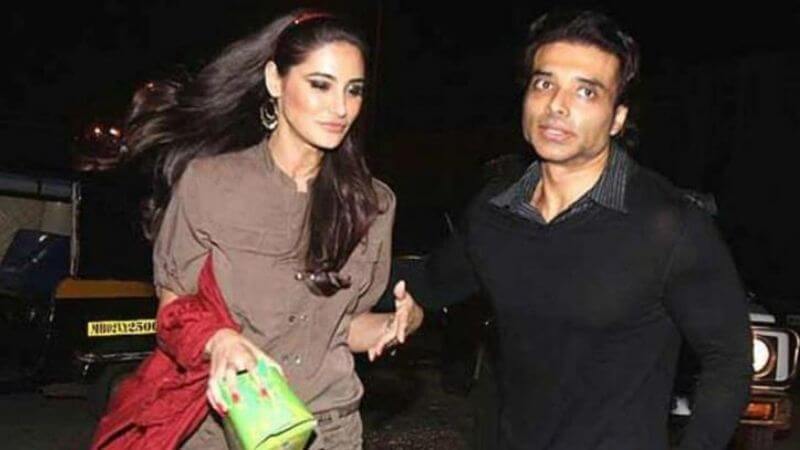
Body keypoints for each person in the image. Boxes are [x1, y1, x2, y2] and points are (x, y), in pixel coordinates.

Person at [413, 10, 752, 450]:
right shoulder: (495, 211)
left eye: (586, 91)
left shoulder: (668, 226)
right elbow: (428, 283)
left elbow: (729, 361)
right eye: (544, 84)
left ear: (617, 118)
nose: (557, 105)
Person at [97, 10, 423, 449]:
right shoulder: (210, 183)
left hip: (328, 431)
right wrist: (218, 340)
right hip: (226, 428)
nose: (341, 108)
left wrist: (397, 324)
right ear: (275, 81)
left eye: (354, 90)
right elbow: (173, 313)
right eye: (320, 85)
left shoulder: (373, 203)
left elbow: (341, 329)